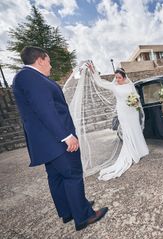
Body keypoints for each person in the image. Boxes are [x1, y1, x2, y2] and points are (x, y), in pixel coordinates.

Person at [12, 46, 108, 231]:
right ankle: (84, 216)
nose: (51, 65)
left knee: (56, 177)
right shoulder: (30, 77)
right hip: (55, 140)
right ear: (40, 60)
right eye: (48, 61)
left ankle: (69, 211)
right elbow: (45, 109)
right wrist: (66, 136)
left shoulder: (28, 78)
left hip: (47, 142)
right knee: (72, 175)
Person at [97, 68, 149, 180]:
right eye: (116, 77)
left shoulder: (129, 84)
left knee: (135, 130)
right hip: (123, 112)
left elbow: (136, 97)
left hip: (132, 111)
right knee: (127, 132)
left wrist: (135, 102)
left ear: (124, 77)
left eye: (119, 77)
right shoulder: (114, 86)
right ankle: (131, 152)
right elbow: (101, 83)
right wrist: (93, 72)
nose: (117, 79)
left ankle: (140, 150)